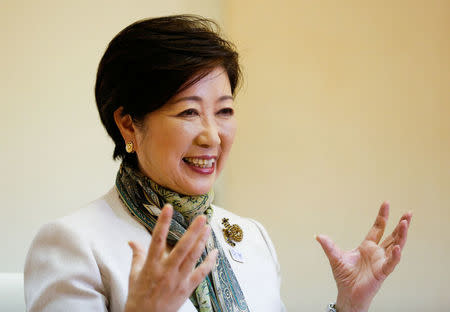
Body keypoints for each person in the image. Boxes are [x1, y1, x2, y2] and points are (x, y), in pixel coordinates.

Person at [24, 15, 412, 312]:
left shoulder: (250, 235)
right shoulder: (72, 244)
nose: (212, 136)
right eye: (189, 113)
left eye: (224, 111)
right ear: (128, 123)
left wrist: (348, 305)